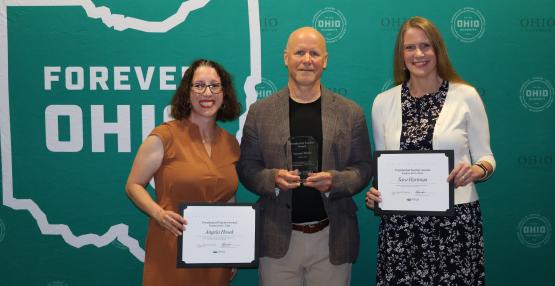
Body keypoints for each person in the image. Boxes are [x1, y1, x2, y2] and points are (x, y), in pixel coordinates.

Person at [366, 16, 495, 285]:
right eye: (410, 47)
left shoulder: (466, 95)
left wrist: (476, 171)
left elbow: (487, 158)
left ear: (438, 51)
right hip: (399, 228)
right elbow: (383, 168)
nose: (419, 54)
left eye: (426, 46)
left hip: (455, 223)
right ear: (401, 56)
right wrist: (375, 195)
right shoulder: (382, 103)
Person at [237, 27, 372, 286]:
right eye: (299, 52)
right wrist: (272, 178)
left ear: (325, 60)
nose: (307, 59)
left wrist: (335, 182)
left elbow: (363, 167)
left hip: (332, 239)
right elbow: (247, 167)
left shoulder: (350, 112)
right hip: (277, 239)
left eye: (314, 53)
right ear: (286, 58)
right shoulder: (260, 112)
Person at [125, 59, 242, 286]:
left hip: (214, 253)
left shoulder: (230, 144)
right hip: (171, 246)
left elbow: (228, 197)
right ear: (187, 94)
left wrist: (233, 249)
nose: (207, 92)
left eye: (214, 86)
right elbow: (133, 185)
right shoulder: (164, 137)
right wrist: (159, 214)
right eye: (199, 85)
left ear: (224, 93)